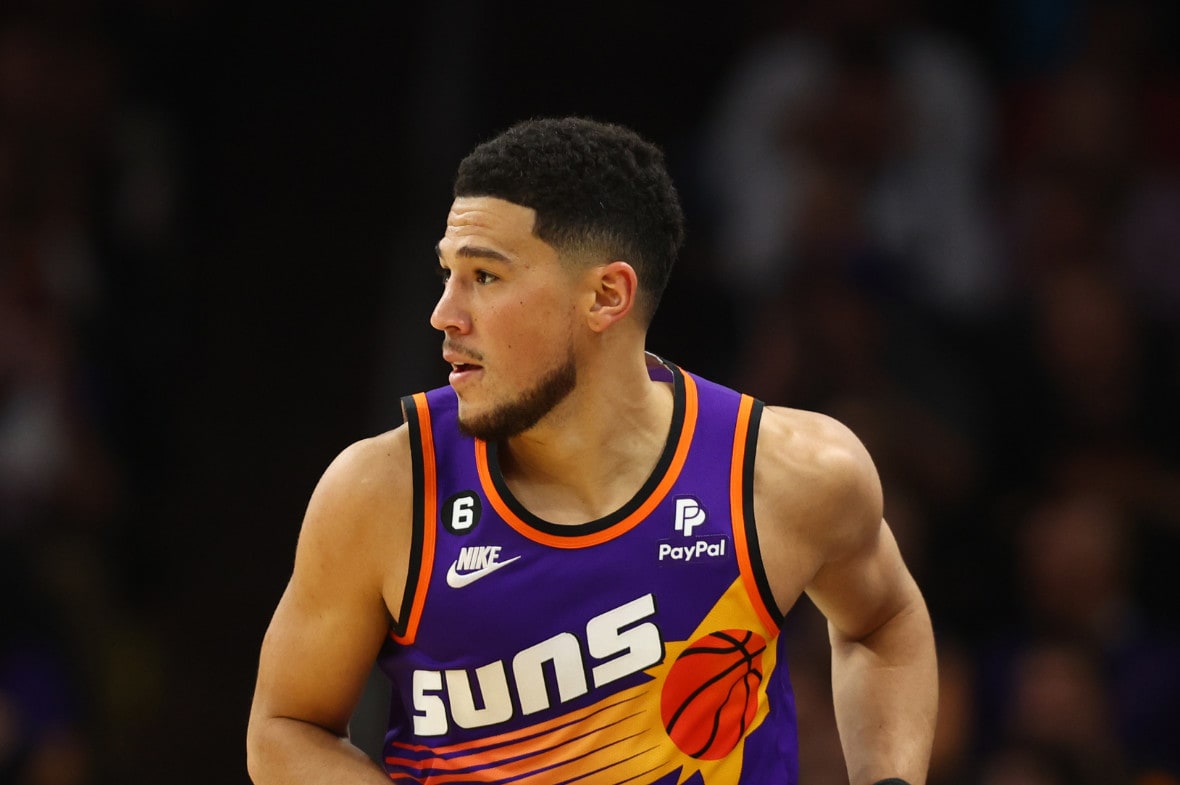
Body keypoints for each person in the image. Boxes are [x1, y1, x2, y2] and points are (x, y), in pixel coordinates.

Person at [246, 116, 938, 785]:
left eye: (484, 277)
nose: (444, 313)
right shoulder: (384, 489)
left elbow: (884, 621)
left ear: (607, 296)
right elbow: (285, 727)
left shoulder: (782, 473)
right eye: (447, 273)